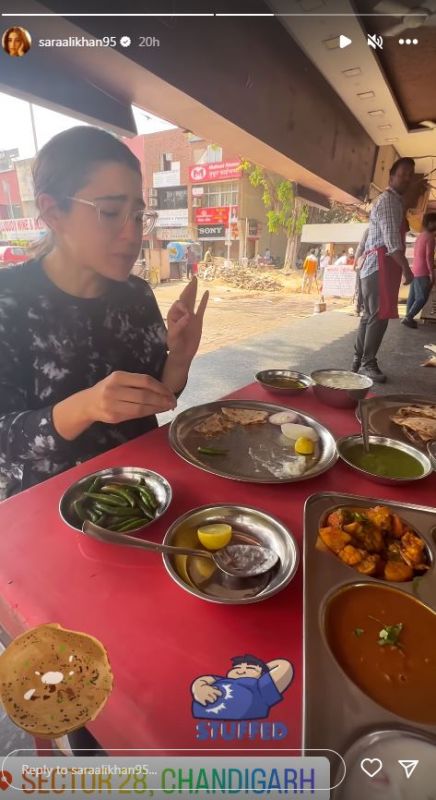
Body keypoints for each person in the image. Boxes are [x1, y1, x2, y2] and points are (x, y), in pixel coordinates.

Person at [0, 126, 209, 499]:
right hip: (53, 505)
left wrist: (180, 357)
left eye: (138, 216)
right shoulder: (9, 299)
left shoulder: (135, 294)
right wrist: (86, 406)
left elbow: (157, 394)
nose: (132, 234)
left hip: (142, 491)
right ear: (53, 212)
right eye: (110, 212)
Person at [352, 157, 415, 383]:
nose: (407, 178)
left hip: (375, 266)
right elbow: (391, 242)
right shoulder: (388, 201)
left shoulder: (395, 202)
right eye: (403, 174)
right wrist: (407, 269)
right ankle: (367, 364)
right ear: (391, 177)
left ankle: (358, 360)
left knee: (370, 315)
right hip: (378, 265)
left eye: (410, 175)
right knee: (378, 316)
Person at [191, 654, 293, 720]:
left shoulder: (260, 687)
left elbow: (284, 665)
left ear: (263, 674)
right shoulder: (221, 680)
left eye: (250, 668)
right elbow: (204, 679)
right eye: (237, 668)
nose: (241, 671)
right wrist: (199, 688)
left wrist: (264, 668)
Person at [402, 212, 436, 328]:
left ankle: (407, 317)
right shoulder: (430, 237)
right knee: (422, 297)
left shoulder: (420, 236)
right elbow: (429, 256)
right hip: (423, 272)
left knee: (412, 296)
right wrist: (431, 273)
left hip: (415, 270)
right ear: (430, 223)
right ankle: (409, 317)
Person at [353, 228, 369, 315]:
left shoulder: (369, 230)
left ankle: (359, 308)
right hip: (363, 264)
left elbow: (360, 248)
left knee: (360, 287)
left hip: (363, 264)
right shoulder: (369, 231)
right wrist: (355, 263)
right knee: (361, 288)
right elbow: (360, 248)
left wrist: (354, 264)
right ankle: (359, 308)